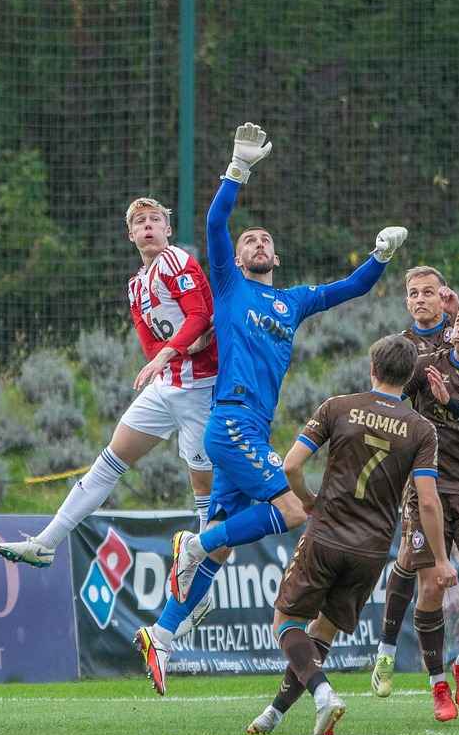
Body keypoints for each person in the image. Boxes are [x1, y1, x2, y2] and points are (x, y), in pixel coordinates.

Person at [141, 123, 407, 696]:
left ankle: (160, 636)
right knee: (290, 512)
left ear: (276, 256)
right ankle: (194, 544)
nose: (257, 244)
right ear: (237, 259)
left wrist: (381, 256)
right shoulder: (228, 287)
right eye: (249, 241)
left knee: (222, 541)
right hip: (231, 419)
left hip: (250, 428)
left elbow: (351, 288)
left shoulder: (292, 300)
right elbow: (215, 223)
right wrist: (237, 169)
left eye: (265, 240)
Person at [246, 335, 452, 735]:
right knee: (323, 631)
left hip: (327, 534)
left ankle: (323, 694)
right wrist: (442, 560)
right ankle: (274, 713)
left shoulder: (338, 407)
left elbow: (290, 466)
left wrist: (308, 499)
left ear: (372, 368)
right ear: (408, 376)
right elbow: (428, 502)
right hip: (371, 550)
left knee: (286, 621)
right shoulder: (421, 429)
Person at [0, 197, 217, 573]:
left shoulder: (175, 260)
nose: (147, 226)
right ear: (131, 235)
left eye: (155, 220)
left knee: (205, 492)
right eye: (139, 222)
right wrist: (169, 354)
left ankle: (198, 583)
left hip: (201, 388)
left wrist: (170, 352)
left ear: (168, 230)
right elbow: (150, 347)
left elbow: (200, 316)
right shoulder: (136, 285)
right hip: (166, 386)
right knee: (109, 461)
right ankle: (45, 543)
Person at [373, 299, 459, 721]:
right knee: (433, 585)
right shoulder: (427, 365)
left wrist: (448, 401)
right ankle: (438, 684)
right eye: (458, 322)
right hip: (428, 487)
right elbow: (389, 393)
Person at [400, 266, 459, 353]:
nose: (420, 300)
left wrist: (456, 313)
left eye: (428, 292)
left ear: (443, 298)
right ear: (408, 303)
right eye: (414, 293)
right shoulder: (401, 345)